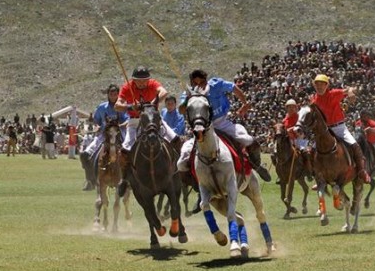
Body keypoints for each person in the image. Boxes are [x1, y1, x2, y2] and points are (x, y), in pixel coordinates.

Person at [177, 69, 272, 182]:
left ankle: (257, 166)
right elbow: (181, 110)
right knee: (182, 161)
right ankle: (195, 183)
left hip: (222, 123)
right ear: (192, 83)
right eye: (195, 84)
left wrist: (245, 103)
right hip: (201, 129)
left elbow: (233, 88)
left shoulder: (216, 85)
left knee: (249, 141)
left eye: (201, 83)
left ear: (206, 81)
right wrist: (188, 99)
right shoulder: (188, 94)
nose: (199, 86)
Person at [114, 66, 180, 196]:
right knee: (125, 150)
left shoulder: (152, 83)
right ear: (134, 80)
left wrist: (150, 104)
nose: (142, 83)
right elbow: (117, 105)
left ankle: (179, 170)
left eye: (145, 80)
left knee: (175, 139)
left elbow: (163, 92)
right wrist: (130, 106)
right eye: (139, 81)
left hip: (153, 119)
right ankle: (125, 179)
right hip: (135, 121)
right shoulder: (127, 87)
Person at [310, 74, 371, 183]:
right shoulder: (314, 99)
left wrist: (351, 92)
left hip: (339, 127)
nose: (319, 86)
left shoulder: (334, 93)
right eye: (317, 84)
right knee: (312, 150)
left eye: (321, 84)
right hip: (325, 130)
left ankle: (362, 171)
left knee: (354, 145)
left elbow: (351, 89)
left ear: (326, 85)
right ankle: (318, 176)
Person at [80, 84, 129, 190]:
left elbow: (127, 120)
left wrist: (121, 125)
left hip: (119, 134)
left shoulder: (122, 106)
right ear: (108, 94)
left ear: (118, 95)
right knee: (84, 155)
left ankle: (129, 180)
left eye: (115, 94)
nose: (113, 96)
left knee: (130, 153)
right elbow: (96, 120)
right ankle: (90, 180)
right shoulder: (102, 107)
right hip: (103, 135)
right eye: (111, 93)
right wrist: (97, 126)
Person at [281, 98, 313, 180]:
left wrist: (292, 129)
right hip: (289, 140)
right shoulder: (285, 119)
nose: (291, 109)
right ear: (286, 108)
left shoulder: (299, 116)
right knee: (276, 152)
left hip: (300, 139)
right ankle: (280, 172)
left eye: (293, 107)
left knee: (304, 152)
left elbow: (303, 126)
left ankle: (309, 172)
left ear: (296, 108)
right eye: (289, 107)